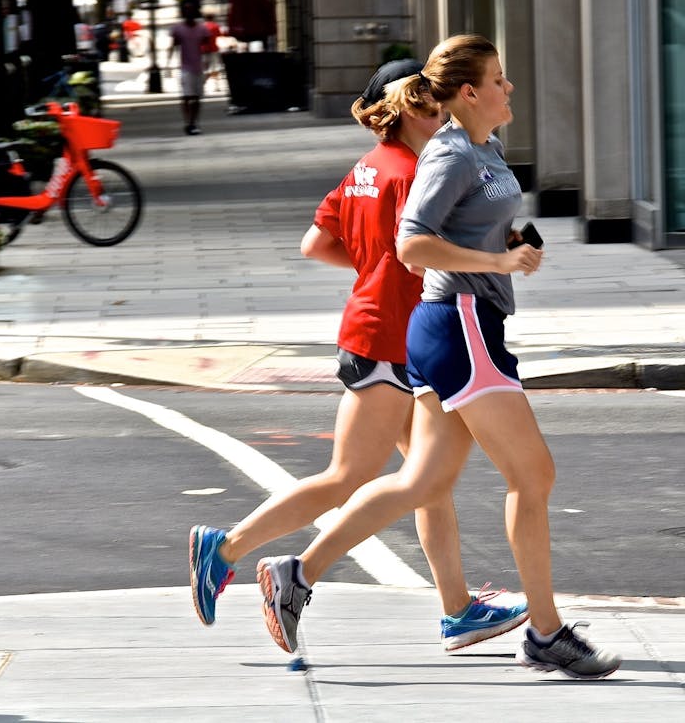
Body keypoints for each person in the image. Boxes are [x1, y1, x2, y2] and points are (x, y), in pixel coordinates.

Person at [255, 35, 622, 680]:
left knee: (422, 483)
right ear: (470, 92)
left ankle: (297, 573)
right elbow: (412, 246)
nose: (510, 89)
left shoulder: (487, 149)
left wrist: (516, 240)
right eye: (500, 79)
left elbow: (482, 220)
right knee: (532, 476)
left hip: (465, 324)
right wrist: (497, 262)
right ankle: (545, 632)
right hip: (458, 324)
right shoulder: (448, 155)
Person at [189, 58, 529, 654]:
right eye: (434, 105)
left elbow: (315, 243)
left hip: (378, 335)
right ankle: (227, 549)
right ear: (416, 110)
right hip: (391, 343)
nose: (444, 113)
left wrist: (373, 267)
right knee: (351, 477)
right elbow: (423, 253)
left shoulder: (368, 169)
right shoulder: (414, 175)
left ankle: (458, 610)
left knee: (428, 481)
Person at [167, 0, 211, 135]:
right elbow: (174, 45)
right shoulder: (178, 29)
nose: (189, 12)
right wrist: (168, 64)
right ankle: (188, 122)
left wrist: (208, 61)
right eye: (186, 10)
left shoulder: (202, 29)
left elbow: (207, 45)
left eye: (191, 9)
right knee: (186, 96)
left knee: (197, 97)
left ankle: (194, 122)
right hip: (185, 67)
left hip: (198, 66)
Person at [201, 12, 224, 92]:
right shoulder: (215, 26)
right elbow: (220, 35)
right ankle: (216, 86)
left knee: (204, 68)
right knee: (215, 68)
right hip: (213, 49)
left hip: (202, 50)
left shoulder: (201, 27)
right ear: (213, 18)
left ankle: (202, 86)